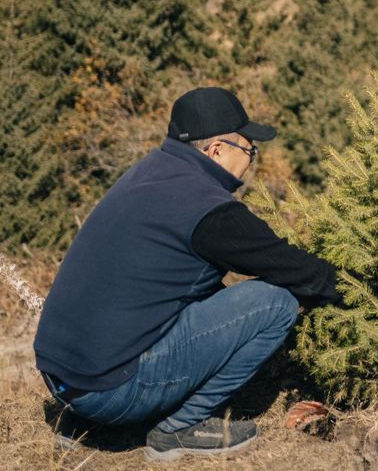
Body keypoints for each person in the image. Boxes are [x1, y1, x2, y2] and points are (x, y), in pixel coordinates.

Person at [34, 87, 359, 461]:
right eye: (249, 149)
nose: (251, 159)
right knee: (276, 302)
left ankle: (85, 419)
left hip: (62, 378)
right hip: (110, 391)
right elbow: (299, 271)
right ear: (216, 150)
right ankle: (180, 428)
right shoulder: (209, 210)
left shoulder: (150, 171)